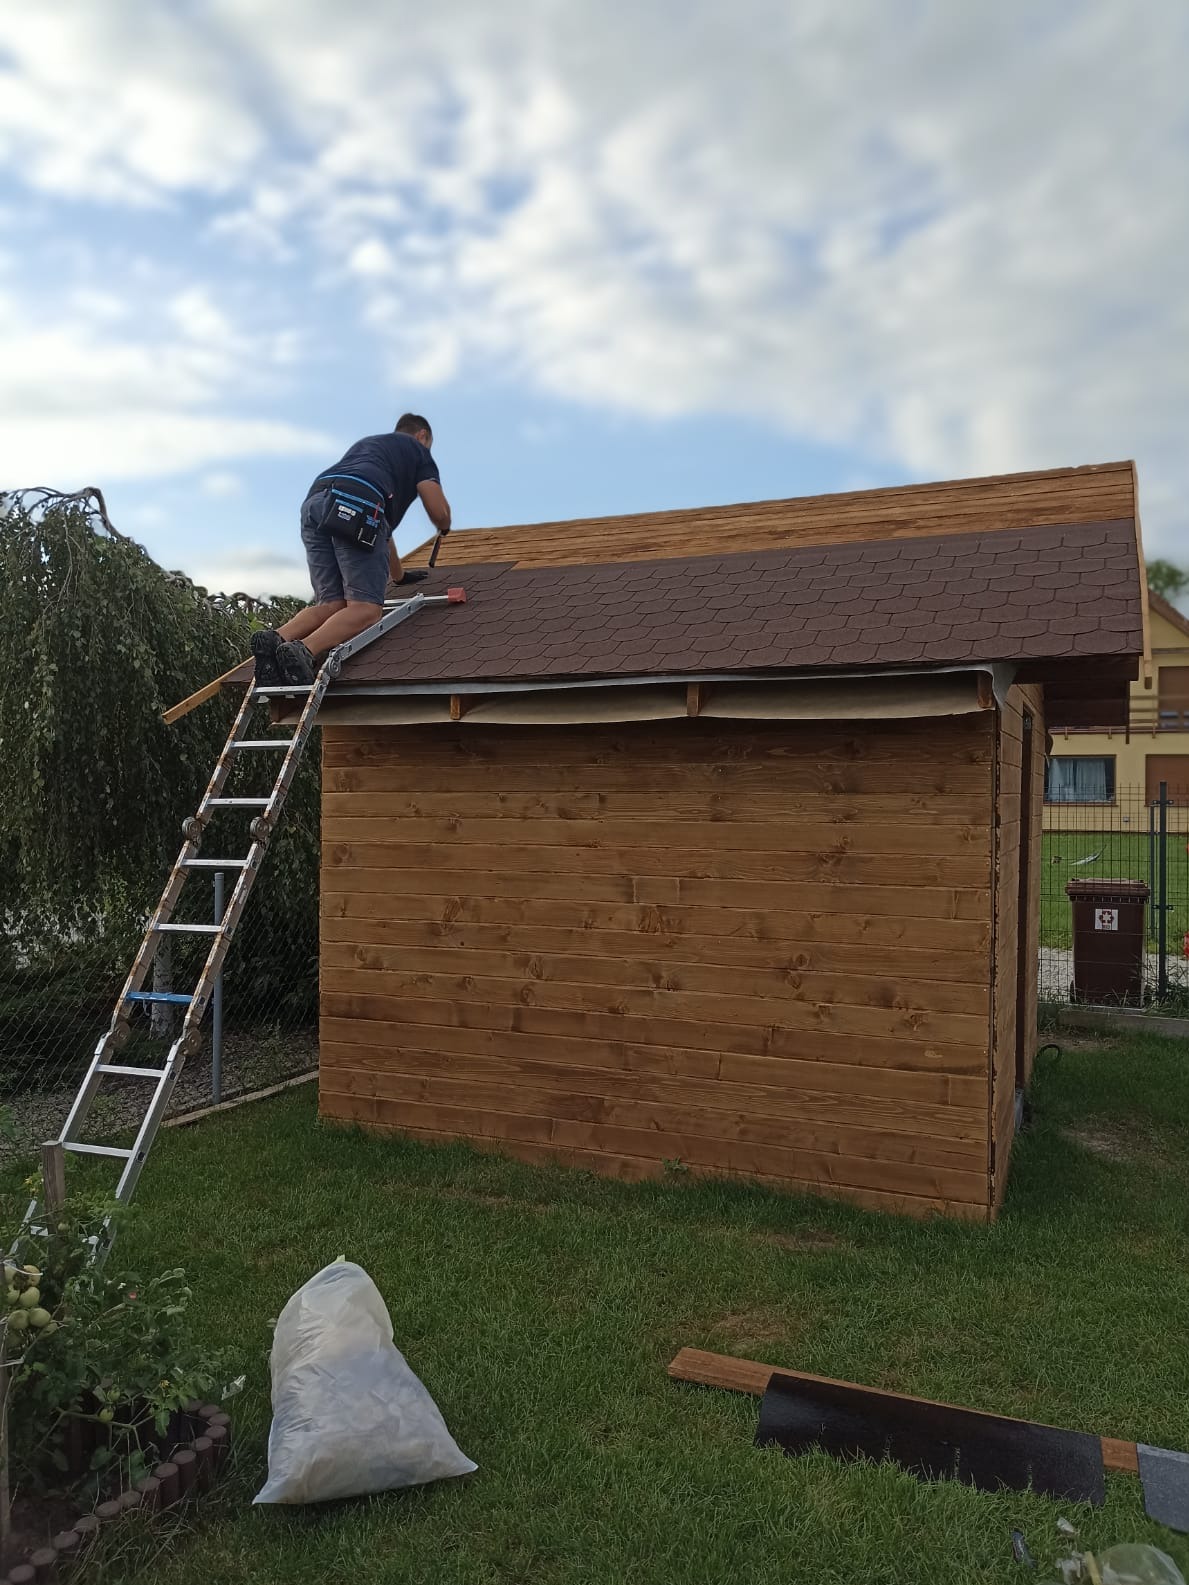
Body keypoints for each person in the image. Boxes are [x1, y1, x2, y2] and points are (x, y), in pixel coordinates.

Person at [251, 413, 452, 686]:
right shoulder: (418, 450)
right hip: (358, 502)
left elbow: (382, 535)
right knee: (366, 609)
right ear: (422, 436)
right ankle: (304, 650)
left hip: (317, 502)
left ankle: (276, 638)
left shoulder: (370, 447)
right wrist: (444, 525)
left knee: (332, 605)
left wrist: (400, 576)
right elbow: (438, 511)